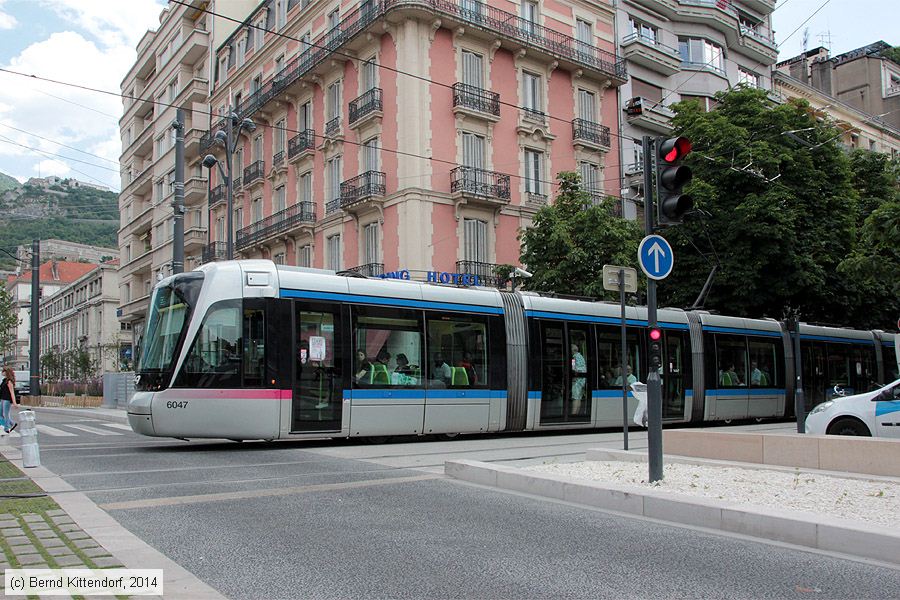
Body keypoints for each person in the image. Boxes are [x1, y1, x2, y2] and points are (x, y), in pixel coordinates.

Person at [1, 366, 19, 434]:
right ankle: (12, 423)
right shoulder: (4, 380)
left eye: (3, 371)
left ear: (7, 372)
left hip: (7, 400)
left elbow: (12, 392)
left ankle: (6, 428)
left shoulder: (9, 381)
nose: (2, 372)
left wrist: (14, 403)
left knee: (6, 414)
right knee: (1, 414)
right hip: (2, 399)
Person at [570, 344, 587, 415]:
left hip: (577, 380)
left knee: (575, 398)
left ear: (572, 350)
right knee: (579, 398)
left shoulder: (574, 358)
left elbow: (573, 369)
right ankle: (576, 413)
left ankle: (573, 414)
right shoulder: (581, 356)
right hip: (582, 380)